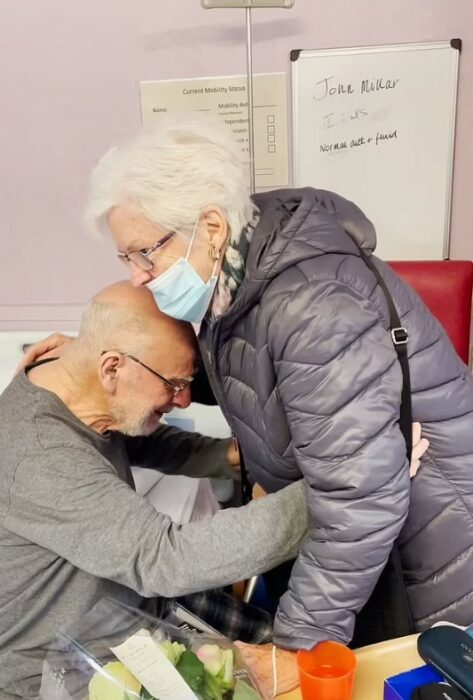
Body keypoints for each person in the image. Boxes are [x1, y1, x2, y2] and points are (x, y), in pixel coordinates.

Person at [24, 113, 470, 662]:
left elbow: (361, 498)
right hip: (351, 523)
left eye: (146, 251)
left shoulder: (310, 304)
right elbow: (243, 372)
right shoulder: (236, 280)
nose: (138, 273)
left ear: (211, 227)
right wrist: (94, 350)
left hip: (419, 536)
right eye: (126, 258)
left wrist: (294, 649)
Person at [0, 281, 308, 699]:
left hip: (131, 611)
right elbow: (165, 559)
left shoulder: (71, 372)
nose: (183, 401)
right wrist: (333, 494)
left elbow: (137, 434)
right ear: (111, 368)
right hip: (64, 670)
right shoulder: (41, 455)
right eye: (175, 383)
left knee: (300, 651)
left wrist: (234, 455)